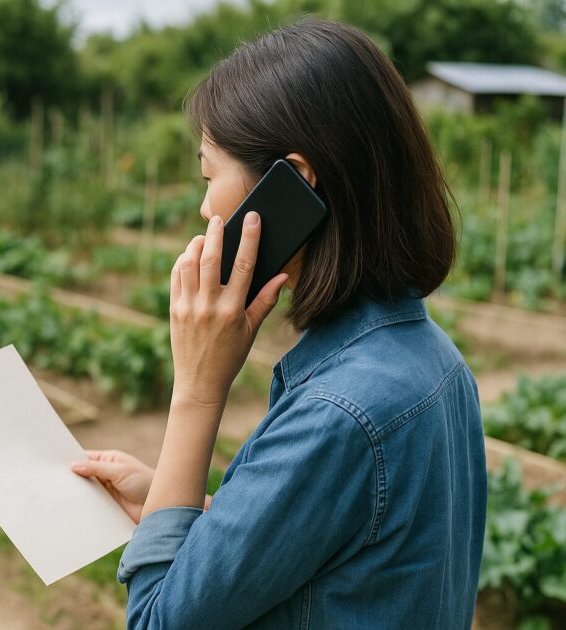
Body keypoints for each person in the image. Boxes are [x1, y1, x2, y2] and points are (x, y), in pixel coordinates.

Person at [70, 17, 486, 629]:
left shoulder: (339, 414)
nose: (204, 207)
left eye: (209, 175)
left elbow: (157, 621)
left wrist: (196, 391)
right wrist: (180, 505)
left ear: (292, 180)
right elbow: (340, 554)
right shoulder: (431, 359)